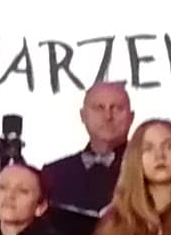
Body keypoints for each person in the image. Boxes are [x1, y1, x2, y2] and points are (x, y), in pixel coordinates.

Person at [43, 79, 137, 219]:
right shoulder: (53, 173)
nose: (108, 116)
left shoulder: (147, 169)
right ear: (82, 115)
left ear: (131, 117)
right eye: (99, 108)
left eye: (117, 108)